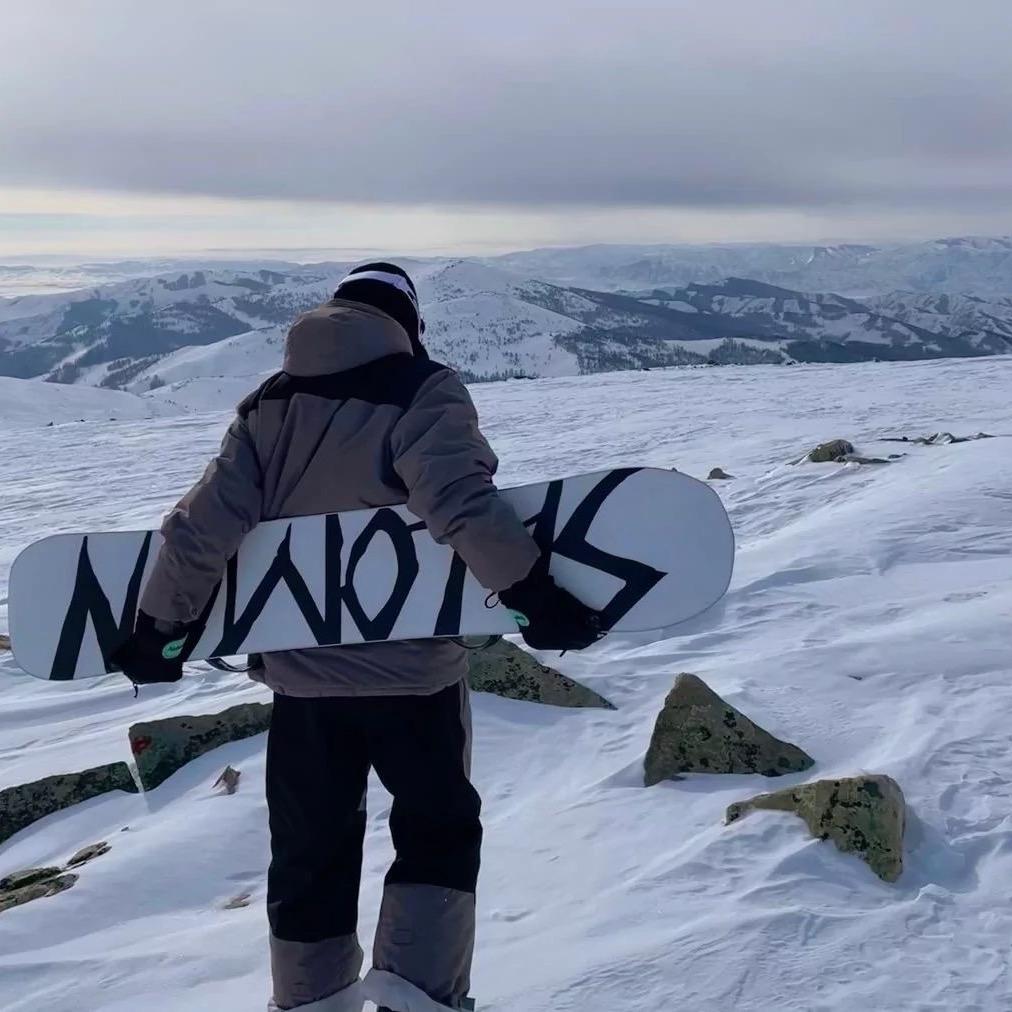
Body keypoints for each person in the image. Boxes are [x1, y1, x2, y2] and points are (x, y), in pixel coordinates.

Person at [112, 263, 602, 1012]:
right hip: (415, 678)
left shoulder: (269, 406)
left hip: (304, 684)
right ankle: (419, 998)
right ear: (406, 320)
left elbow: (203, 527)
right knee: (437, 835)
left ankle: (309, 1004)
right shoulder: (421, 387)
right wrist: (532, 593)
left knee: (311, 855)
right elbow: (458, 499)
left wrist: (161, 628)